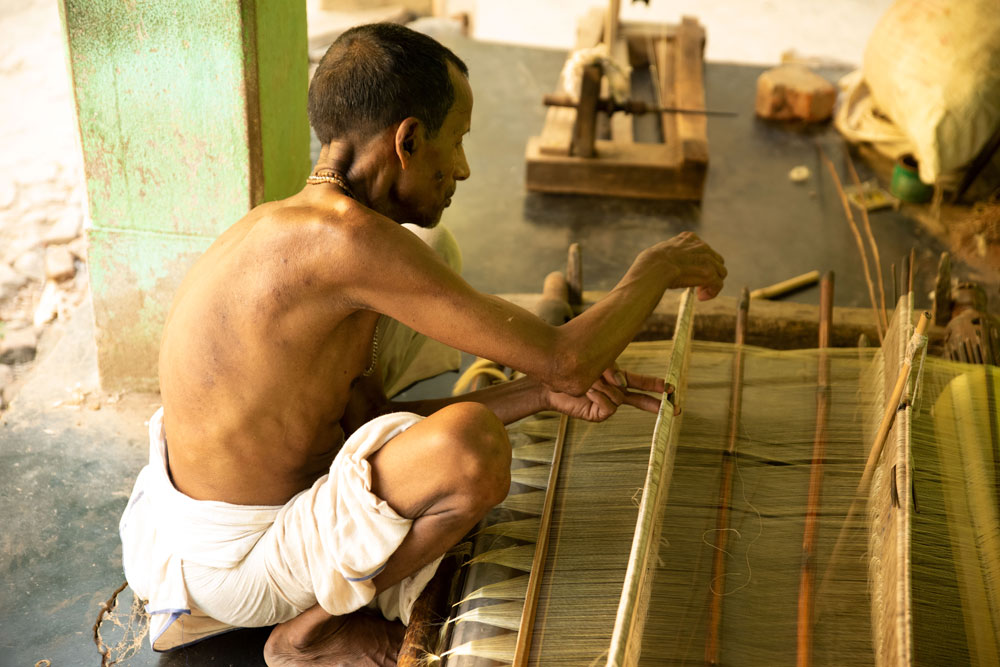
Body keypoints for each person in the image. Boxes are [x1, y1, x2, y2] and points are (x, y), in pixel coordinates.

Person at [118, 22, 726, 667]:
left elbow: (377, 425)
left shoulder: (286, 222)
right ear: (408, 141)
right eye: (456, 142)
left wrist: (540, 393)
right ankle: (310, 634)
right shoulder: (347, 244)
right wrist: (655, 269)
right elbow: (570, 359)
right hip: (237, 564)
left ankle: (314, 604)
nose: (461, 168)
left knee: (433, 255)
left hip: (180, 534)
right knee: (472, 450)